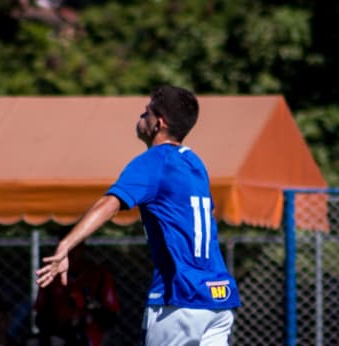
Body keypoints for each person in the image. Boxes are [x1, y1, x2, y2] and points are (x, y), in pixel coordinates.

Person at [36, 86, 241, 346]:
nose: (141, 117)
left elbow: (109, 204)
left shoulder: (154, 160)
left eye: (146, 113)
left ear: (159, 123)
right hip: (218, 297)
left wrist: (65, 245)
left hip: (180, 297)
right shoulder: (194, 162)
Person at [33, 241, 119, 346]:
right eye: (64, 249)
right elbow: (40, 318)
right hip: (59, 334)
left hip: (91, 334)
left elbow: (111, 317)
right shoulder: (51, 276)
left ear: (83, 248)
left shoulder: (99, 274)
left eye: (74, 248)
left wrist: (88, 306)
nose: (70, 253)